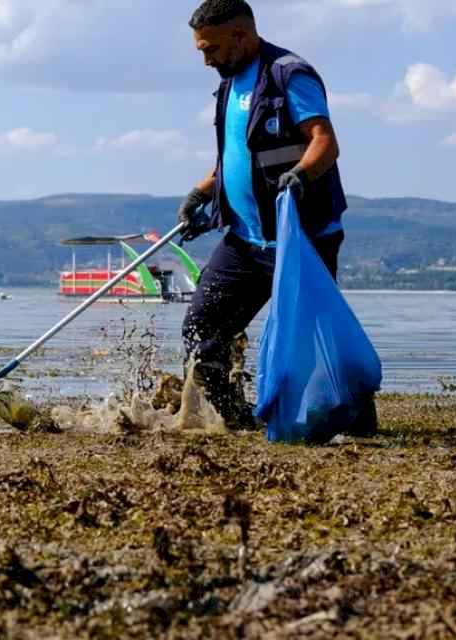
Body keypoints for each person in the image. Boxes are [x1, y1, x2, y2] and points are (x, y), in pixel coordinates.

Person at [177, 0, 348, 429]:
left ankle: (333, 417)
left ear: (240, 34)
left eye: (210, 49)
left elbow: (325, 141)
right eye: (200, 50)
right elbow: (236, 156)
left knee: (306, 343)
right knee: (203, 328)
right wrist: (202, 192)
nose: (205, 60)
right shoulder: (229, 83)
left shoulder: (289, 74)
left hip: (301, 237)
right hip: (244, 240)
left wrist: (300, 177)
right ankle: (232, 419)